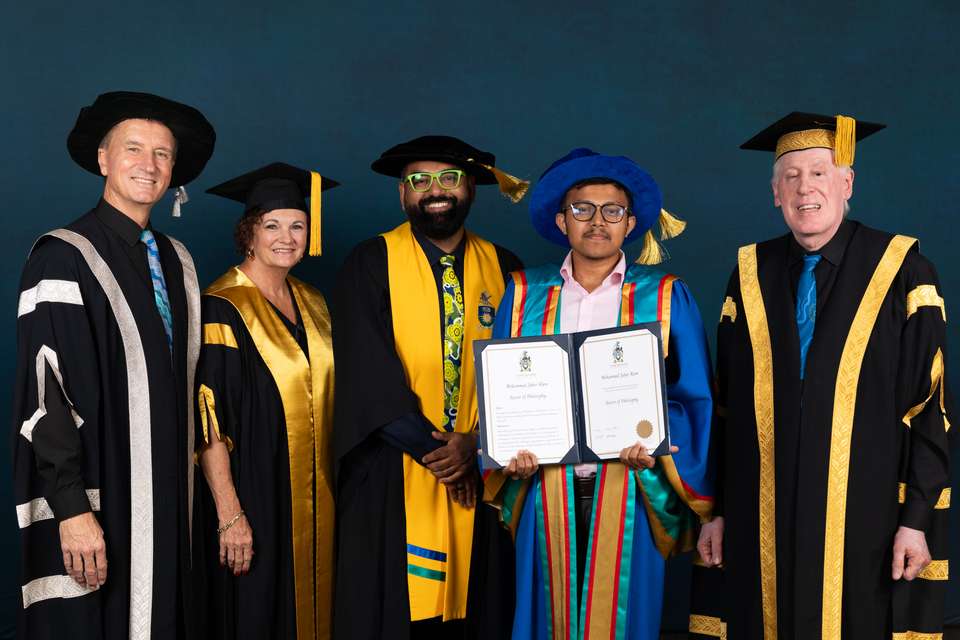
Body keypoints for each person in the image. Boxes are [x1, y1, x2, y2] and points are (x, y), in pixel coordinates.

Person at [691, 113, 952, 640]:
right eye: (790, 177)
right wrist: (714, 510)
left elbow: (929, 407)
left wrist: (916, 518)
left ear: (847, 183)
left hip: (866, 514)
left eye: (819, 173)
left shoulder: (902, 269)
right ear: (775, 194)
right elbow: (725, 405)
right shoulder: (750, 273)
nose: (804, 188)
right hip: (762, 511)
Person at [484, 148, 715, 640]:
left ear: (630, 223)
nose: (597, 222)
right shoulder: (523, 294)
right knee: (545, 621)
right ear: (561, 220)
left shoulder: (665, 294)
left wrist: (657, 443)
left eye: (612, 210)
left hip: (632, 488)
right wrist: (507, 453)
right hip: (544, 488)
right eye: (582, 209)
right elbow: (499, 396)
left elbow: (694, 396)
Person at [11, 90, 215, 639]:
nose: (149, 164)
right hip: (103, 495)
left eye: (162, 154)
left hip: (171, 500)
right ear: (103, 159)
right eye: (133, 148)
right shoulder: (62, 256)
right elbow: (45, 395)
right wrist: (72, 510)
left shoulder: (177, 262)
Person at [332, 135, 526, 639]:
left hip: (484, 470)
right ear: (402, 195)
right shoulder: (370, 261)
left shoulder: (507, 268)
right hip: (392, 471)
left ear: (471, 189)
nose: (435, 190)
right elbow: (365, 372)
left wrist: (475, 446)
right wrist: (443, 455)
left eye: (449, 178)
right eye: (419, 180)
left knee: (481, 610)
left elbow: (524, 375)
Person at [196, 163, 337, 639]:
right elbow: (208, 421)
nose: (286, 238)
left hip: (316, 493)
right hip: (254, 494)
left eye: (297, 226)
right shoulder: (221, 305)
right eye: (272, 225)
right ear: (249, 233)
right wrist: (229, 513)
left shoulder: (313, 301)